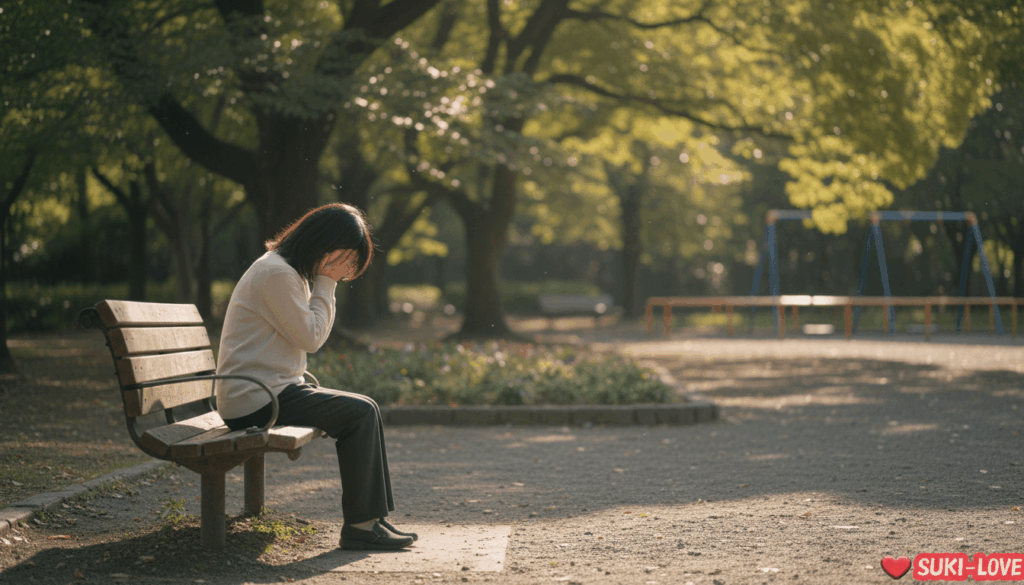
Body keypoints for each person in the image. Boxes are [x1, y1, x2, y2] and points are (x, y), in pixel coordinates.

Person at [215, 203, 416, 551]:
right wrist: (326, 283)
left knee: (365, 406)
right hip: (256, 398)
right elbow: (311, 338)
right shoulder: (277, 273)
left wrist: (323, 281)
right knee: (361, 413)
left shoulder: (285, 271)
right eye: (347, 258)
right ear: (326, 243)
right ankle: (362, 526)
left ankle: (371, 520)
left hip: (269, 390)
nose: (347, 268)